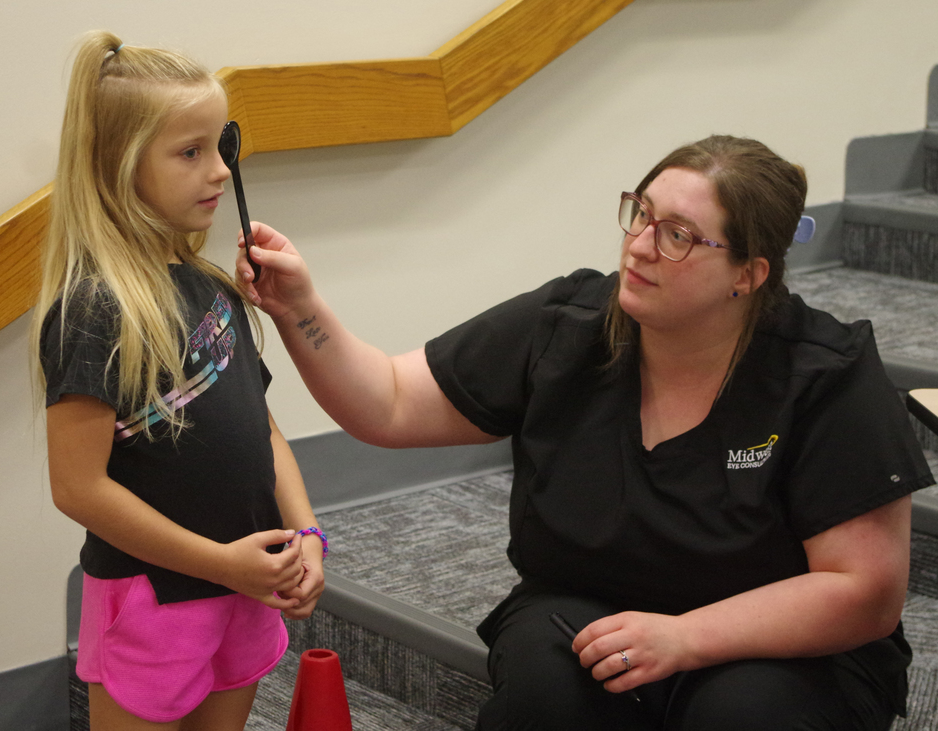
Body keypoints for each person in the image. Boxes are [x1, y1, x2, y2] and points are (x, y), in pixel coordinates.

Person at [235, 134, 934, 730]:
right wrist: (299, 306)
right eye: (642, 214)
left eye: (678, 235)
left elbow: (863, 591)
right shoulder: (569, 324)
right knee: (545, 695)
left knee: (741, 714)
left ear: (747, 275)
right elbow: (386, 403)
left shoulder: (826, 373)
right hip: (591, 606)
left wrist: (686, 637)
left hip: (779, 639)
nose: (640, 247)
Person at [30, 31, 326, 730]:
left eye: (221, 146)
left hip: (243, 585)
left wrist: (306, 529)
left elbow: (263, 429)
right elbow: (77, 487)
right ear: (118, 167)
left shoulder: (213, 288)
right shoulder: (94, 310)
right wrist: (220, 564)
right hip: (154, 599)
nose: (220, 170)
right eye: (190, 152)